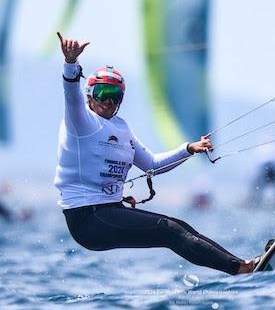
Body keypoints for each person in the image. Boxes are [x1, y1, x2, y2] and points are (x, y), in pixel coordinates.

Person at [54, 32, 262, 275]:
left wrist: (188, 149)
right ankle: (240, 269)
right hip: (87, 219)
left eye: (114, 96)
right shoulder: (80, 122)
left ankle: (242, 265)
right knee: (170, 231)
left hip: (109, 211)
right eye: (102, 94)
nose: (108, 102)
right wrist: (70, 64)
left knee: (179, 227)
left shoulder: (121, 128)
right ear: (90, 96)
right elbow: (71, 95)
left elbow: (152, 164)